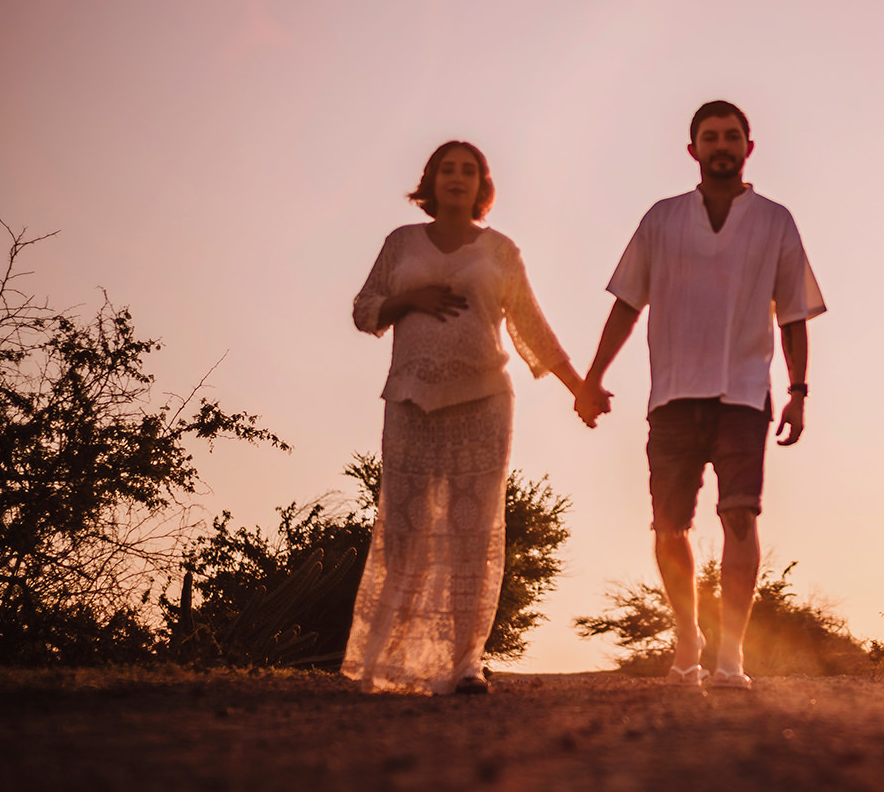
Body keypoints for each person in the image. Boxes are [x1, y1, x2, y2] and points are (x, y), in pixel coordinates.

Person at [576, 100, 824, 689]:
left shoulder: (774, 221)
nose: (721, 145)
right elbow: (627, 303)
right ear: (692, 150)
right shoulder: (661, 220)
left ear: (748, 148)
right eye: (710, 137)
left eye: (731, 136)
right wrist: (593, 376)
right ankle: (687, 637)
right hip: (672, 398)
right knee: (669, 526)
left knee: (740, 517)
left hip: (743, 394)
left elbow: (793, 313)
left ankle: (730, 654)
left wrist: (798, 391)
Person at [344, 139, 584, 695]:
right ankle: (384, 661)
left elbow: (530, 326)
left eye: (468, 171)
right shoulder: (400, 243)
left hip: (482, 401)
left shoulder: (500, 250)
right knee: (403, 528)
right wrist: (410, 299)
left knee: (472, 530)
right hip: (409, 399)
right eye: (447, 169)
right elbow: (363, 309)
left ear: (482, 185)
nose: (457, 178)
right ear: (430, 181)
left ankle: (464, 662)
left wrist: (579, 388)